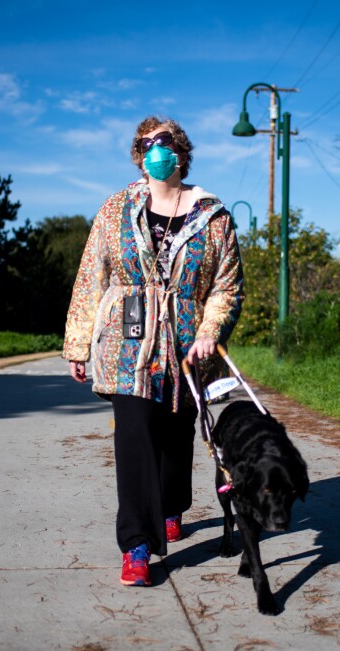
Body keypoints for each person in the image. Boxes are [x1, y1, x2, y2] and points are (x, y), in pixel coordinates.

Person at [62, 116, 244, 586]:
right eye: (144, 143)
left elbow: (226, 286)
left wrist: (210, 329)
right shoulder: (116, 209)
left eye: (161, 141)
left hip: (186, 346)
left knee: (175, 434)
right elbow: (90, 277)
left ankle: (171, 505)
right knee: (135, 433)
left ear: (180, 151)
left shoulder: (214, 216)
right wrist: (78, 343)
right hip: (127, 342)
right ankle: (136, 545)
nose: (153, 150)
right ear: (137, 155)